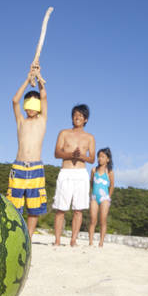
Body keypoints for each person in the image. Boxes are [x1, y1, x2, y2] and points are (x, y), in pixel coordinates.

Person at [6, 62, 48, 241]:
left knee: (34, 207)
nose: (31, 107)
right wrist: (27, 79)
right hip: (19, 166)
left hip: (36, 169)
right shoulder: (21, 122)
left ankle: (28, 238)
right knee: (13, 205)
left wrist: (39, 78)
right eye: (28, 104)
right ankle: (14, 235)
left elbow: (44, 96)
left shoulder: (42, 120)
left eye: (34, 103)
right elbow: (14, 100)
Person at [53, 104, 96, 246]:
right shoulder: (64, 133)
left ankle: (73, 240)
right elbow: (57, 153)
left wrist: (81, 156)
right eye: (75, 115)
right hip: (65, 172)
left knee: (78, 209)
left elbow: (92, 159)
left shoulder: (90, 137)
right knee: (61, 208)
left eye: (81, 115)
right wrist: (71, 154)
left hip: (81, 173)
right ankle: (57, 240)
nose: (77, 117)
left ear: (86, 119)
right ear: (72, 117)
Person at [88, 148, 115, 247]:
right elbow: (91, 182)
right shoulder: (93, 170)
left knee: (103, 220)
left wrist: (108, 197)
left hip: (105, 198)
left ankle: (101, 243)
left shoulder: (110, 172)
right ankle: (90, 242)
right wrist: (92, 194)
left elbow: (112, 185)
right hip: (94, 197)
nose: (100, 159)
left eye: (102, 157)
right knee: (92, 220)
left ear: (108, 159)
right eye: (99, 156)